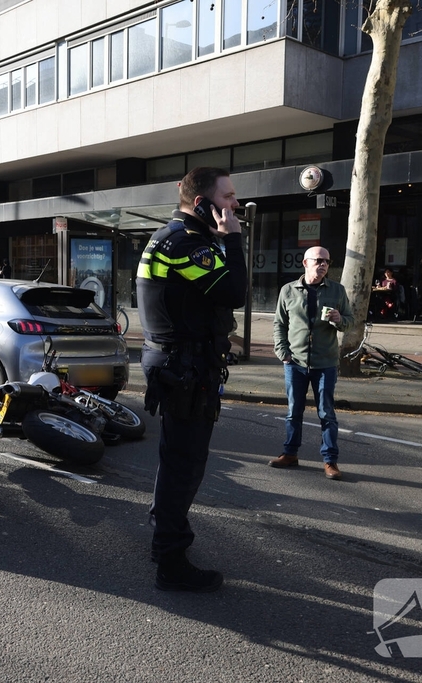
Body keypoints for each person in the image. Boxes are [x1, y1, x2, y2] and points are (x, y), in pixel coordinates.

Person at [137, 167, 246, 593]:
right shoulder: (187, 243)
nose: (234, 204)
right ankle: (171, 561)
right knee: (186, 464)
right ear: (201, 203)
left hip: (178, 363)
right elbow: (234, 292)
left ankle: (164, 540)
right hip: (184, 368)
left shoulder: (175, 236)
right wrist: (232, 238)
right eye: (229, 197)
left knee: (176, 460)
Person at [270, 245, 353, 481]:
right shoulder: (288, 290)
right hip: (295, 361)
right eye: (318, 260)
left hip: (325, 362)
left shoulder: (337, 291)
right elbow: (279, 324)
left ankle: (330, 461)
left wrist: (339, 320)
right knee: (293, 411)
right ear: (305, 263)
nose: (323, 265)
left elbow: (350, 321)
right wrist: (282, 352)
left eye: (327, 261)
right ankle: (290, 454)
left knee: (327, 413)